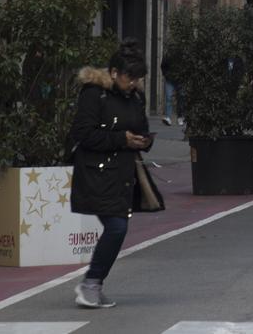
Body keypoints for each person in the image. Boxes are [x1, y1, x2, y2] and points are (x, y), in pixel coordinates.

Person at [69, 39, 163, 309]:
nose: (133, 83)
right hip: (97, 172)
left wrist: (145, 140)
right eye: (129, 77)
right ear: (113, 73)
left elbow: (142, 126)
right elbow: (83, 134)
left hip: (123, 173)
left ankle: (92, 284)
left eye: (138, 78)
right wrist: (122, 139)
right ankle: (91, 283)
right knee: (117, 225)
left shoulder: (135, 96)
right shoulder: (94, 94)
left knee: (118, 226)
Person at [159, 52, 183, 126]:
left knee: (181, 97)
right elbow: (163, 65)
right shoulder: (168, 54)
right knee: (169, 97)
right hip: (169, 79)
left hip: (180, 79)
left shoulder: (182, 53)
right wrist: (166, 74)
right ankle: (168, 118)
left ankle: (180, 117)